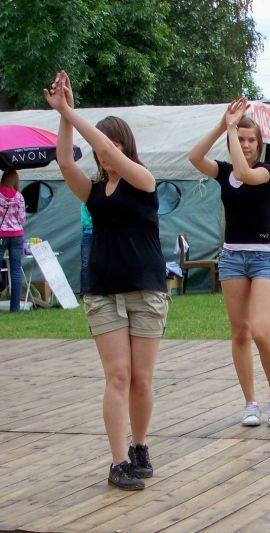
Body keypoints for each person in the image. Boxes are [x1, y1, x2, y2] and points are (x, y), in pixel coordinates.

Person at [46, 71, 169, 490]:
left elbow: (105, 150)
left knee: (141, 378)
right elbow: (66, 162)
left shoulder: (143, 181)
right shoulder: (95, 192)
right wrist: (63, 115)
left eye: (113, 146)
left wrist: (70, 110)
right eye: (103, 149)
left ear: (125, 147)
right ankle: (118, 461)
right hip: (103, 293)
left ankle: (140, 445)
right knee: (117, 375)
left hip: (146, 290)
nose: (104, 154)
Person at [189, 97, 270, 431]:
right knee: (240, 332)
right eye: (241, 139)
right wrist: (222, 124)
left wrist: (232, 128)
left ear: (259, 145)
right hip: (233, 257)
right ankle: (250, 403)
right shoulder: (223, 172)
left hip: (265, 257)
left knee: (261, 330)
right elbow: (194, 158)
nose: (245, 145)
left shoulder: (266, 171)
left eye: (250, 141)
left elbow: (245, 173)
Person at [0, 169, 26, 312]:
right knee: (16, 271)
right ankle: (15, 308)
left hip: (1, 234)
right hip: (17, 235)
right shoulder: (19, 196)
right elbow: (22, 219)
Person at [79, 203, 93, 298]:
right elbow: (85, 222)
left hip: (101, 234)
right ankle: (84, 292)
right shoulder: (84, 205)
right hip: (88, 235)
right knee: (86, 264)